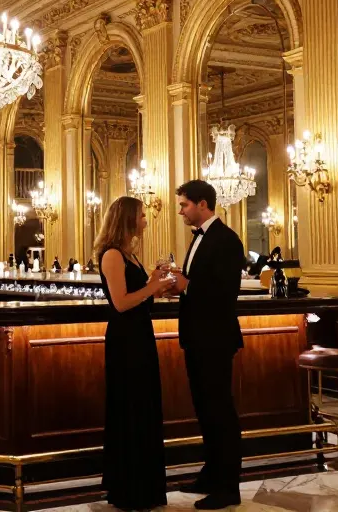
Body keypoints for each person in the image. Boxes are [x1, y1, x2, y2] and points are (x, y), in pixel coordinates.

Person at [166, 180, 246, 510]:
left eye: (184, 205)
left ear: (202, 204)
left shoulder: (226, 240)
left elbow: (225, 293)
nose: (181, 211)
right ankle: (211, 474)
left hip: (215, 338)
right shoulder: (200, 239)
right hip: (197, 337)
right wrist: (180, 287)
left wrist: (186, 285)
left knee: (220, 411)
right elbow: (199, 286)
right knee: (204, 409)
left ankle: (229, 487)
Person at [95, 196, 175, 510]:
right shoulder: (112, 255)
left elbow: (139, 295)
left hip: (141, 335)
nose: (146, 219)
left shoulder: (131, 254)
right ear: (128, 219)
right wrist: (153, 287)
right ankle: (128, 488)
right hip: (125, 340)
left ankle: (146, 486)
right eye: (142, 215)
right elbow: (122, 302)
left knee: (144, 407)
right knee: (129, 408)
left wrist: (156, 281)